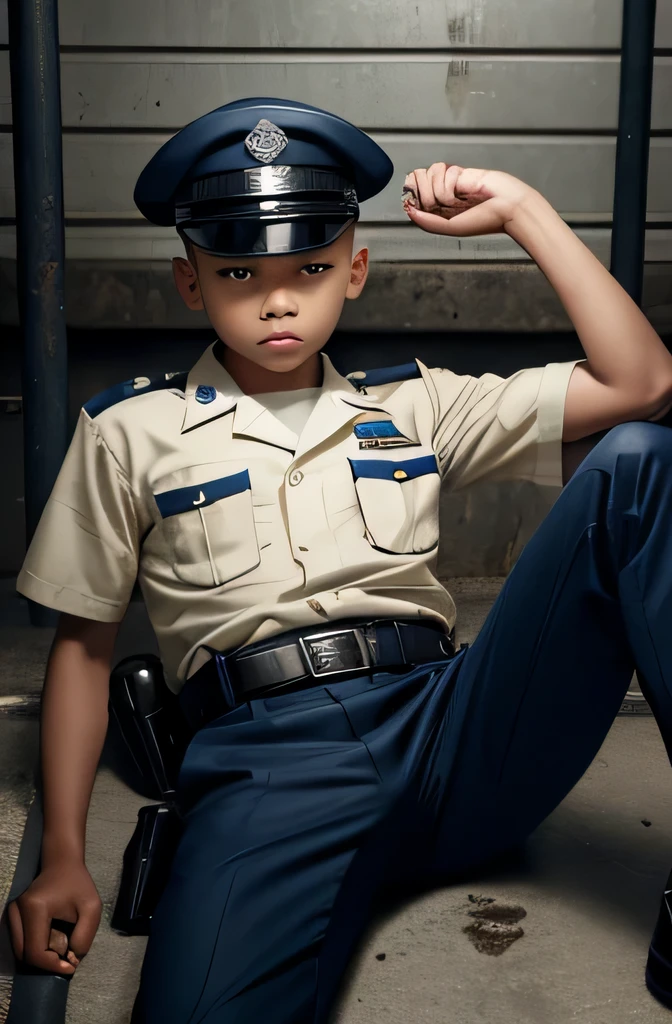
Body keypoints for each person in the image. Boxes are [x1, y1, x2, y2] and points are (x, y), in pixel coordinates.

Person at [7, 96, 672, 1022]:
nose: (278, 298)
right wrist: (64, 857)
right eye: (238, 269)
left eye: (311, 267)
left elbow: (641, 383)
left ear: (354, 270)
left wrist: (523, 208)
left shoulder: (415, 408)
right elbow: (83, 648)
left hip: (454, 730)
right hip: (269, 762)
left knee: (638, 463)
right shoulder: (129, 432)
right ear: (189, 281)